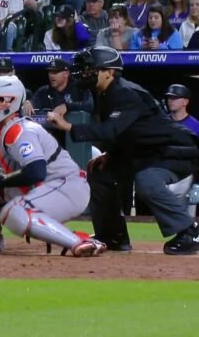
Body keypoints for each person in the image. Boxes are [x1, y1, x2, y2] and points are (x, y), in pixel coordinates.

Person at [46, 47, 199, 255]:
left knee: (147, 180)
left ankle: (190, 231)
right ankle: (112, 235)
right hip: (143, 151)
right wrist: (110, 155)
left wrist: (69, 127)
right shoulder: (104, 93)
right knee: (100, 173)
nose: (85, 73)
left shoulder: (126, 92)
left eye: (91, 69)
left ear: (109, 72)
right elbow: (129, 132)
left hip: (172, 150)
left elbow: (110, 130)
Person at [0, 75, 104, 257]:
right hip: (48, 186)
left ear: (9, 102)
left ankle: (80, 241)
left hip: (66, 187)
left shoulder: (20, 131)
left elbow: (36, 172)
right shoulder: (1, 129)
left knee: (13, 212)